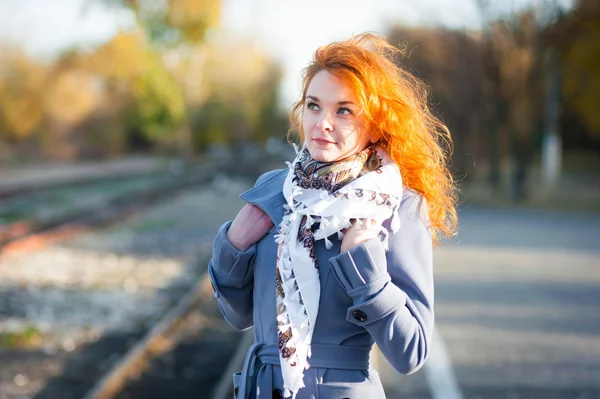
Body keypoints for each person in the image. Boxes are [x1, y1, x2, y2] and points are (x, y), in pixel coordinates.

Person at [208, 32, 458, 399]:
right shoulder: (275, 191)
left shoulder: (397, 207)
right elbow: (238, 316)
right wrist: (233, 246)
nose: (322, 122)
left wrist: (364, 269)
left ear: (375, 123)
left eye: (344, 110)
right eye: (313, 105)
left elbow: (411, 352)